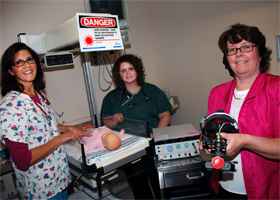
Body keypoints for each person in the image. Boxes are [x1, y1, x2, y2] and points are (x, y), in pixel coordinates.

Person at [0, 42, 91, 199]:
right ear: (10, 70)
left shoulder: (38, 95)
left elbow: (44, 127)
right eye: (19, 62)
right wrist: (63, 137)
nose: (27, 65)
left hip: (60, 179)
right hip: (40, 189)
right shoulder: (11, 106)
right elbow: (22, 160)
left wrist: (69, 128)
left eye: (30, 59)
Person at [200, 23, 279, 200]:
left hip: (264, 191)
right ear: (227, 58)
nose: (239, 53)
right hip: (222, 188)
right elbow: (209, 131)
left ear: (259, 52)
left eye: (246, 46)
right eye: (232, 49)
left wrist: (244, 141)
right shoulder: (217, 93)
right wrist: (205, 142)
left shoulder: (276, 89)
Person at [101, 54, 173, 199]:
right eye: (123, 70)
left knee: (159, 184)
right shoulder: (112, 97)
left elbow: (165, 115)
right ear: (118, 74)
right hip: (129, 150)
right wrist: (114, 121)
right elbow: (106, 123)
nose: (127, 73)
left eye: (131, 68)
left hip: (152, 145)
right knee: (139, 188)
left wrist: (156, 134)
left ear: (137, 70)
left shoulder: (152, 91)